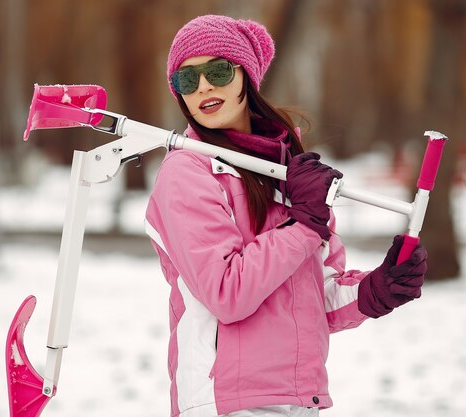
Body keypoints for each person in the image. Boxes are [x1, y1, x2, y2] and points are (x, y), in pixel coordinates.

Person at [144, 15, 428, 417]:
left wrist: (376, 290)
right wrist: (305, 223)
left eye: (218, 70)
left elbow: (316, 298)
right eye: (187, 80)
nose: (204, 86)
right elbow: (227, 293)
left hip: (297, 399)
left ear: (246, 76)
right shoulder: (187, 172)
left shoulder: (288, 174)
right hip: (224, 402)